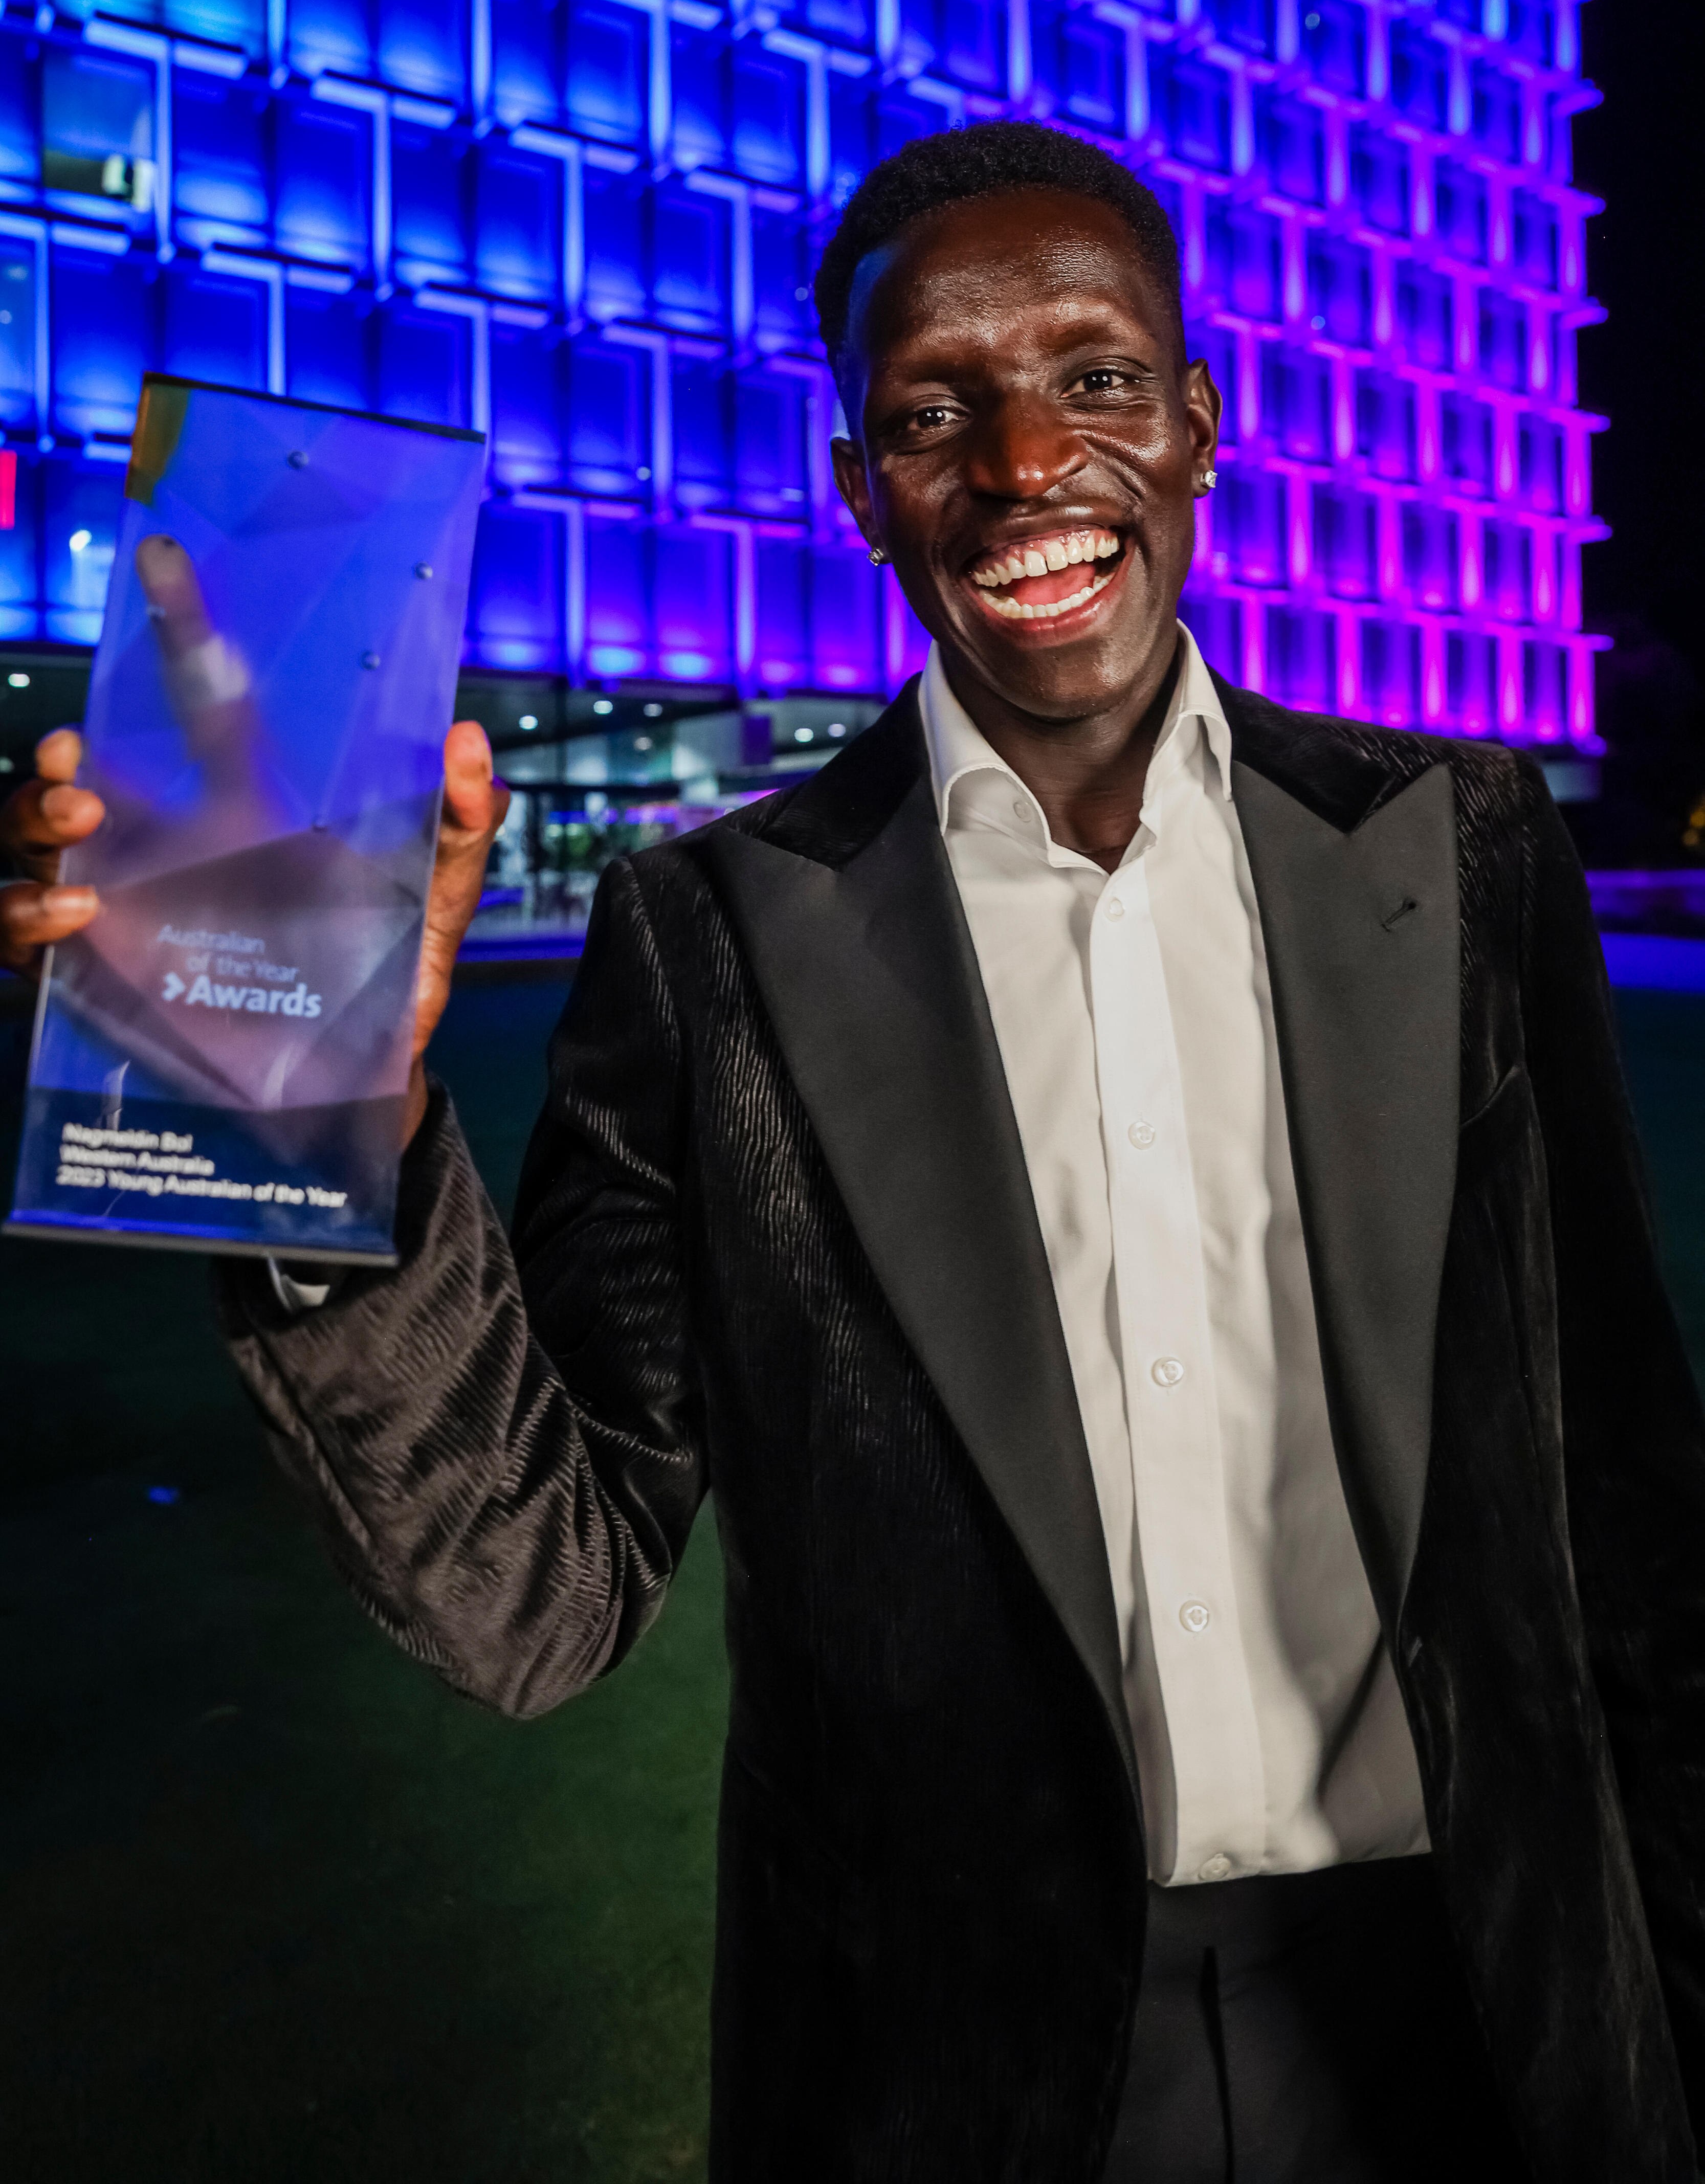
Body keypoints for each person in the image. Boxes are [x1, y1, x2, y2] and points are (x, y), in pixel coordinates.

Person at [4, 122, 1702, 2183]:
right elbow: (530, 1592)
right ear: (857, 493)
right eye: (932, 412)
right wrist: (297, 1090)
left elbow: (1624, 1516)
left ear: (1195, 421)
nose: (1021, 464)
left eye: (1094, 377)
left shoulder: (1464, 846)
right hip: (953, 2075)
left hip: (1481, 2012)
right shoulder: (704, 938)